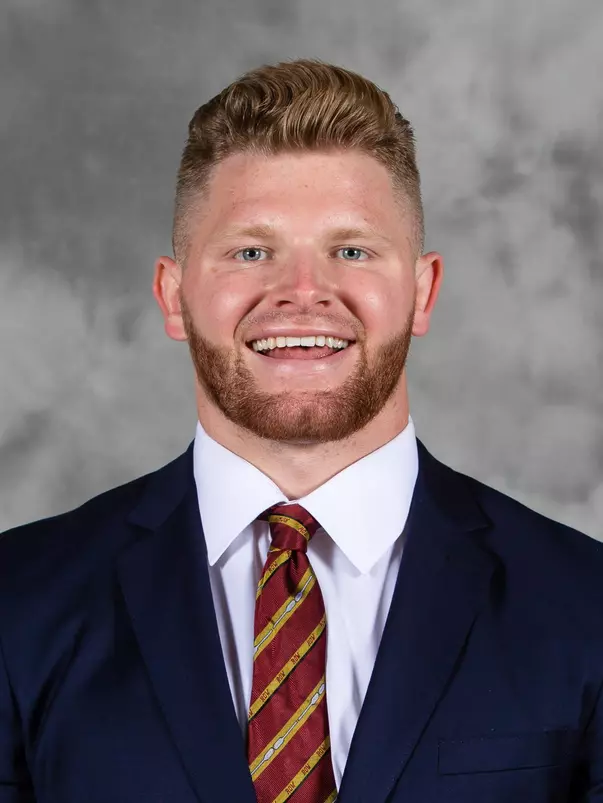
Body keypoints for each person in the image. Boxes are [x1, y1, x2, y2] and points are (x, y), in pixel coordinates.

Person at [0, 59, 601, 803]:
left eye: (351, 250)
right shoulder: (17, 602)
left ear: (421, 292)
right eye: (251, 252)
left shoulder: (586, 604)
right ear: (174, 296)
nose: (303, 292)